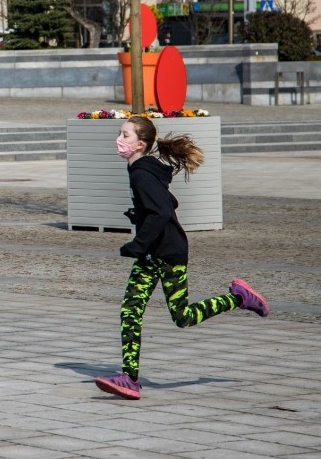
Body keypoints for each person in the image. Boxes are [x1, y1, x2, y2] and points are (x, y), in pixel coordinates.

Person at [95, 116, 269, 400]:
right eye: (120, 133)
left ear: (140, 144)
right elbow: (166, 204)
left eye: (125, 135)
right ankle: (129, 378)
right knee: (130, 310)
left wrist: (137, 243)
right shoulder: (141, 169)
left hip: (167, 253)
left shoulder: (140, 173)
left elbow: (162, 212)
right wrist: (139, 218)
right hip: (153, 254)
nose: (119, 139)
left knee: (183, 317)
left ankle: (238, 298)